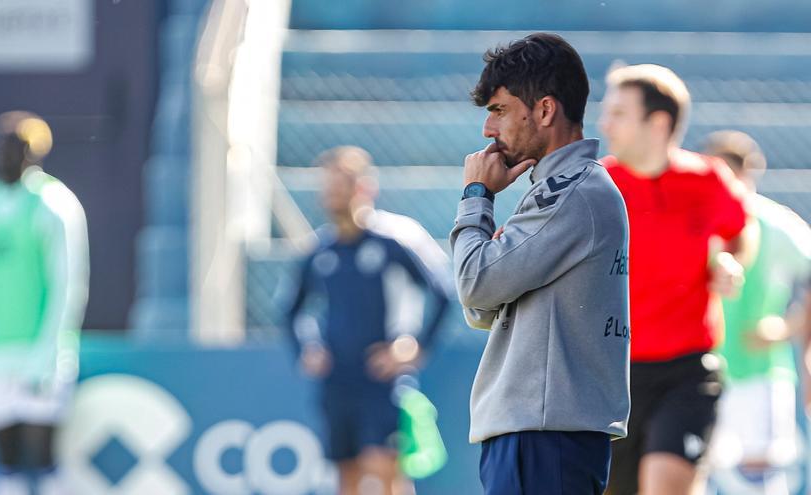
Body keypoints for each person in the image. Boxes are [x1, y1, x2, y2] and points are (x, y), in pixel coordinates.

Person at [450, 33, 631, 494]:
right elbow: (483, 307)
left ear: (545, 110)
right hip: (544, 431)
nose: (489, 131)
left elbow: (476, 283)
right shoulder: (560, 189)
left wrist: (477, 197)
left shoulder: (569, 191)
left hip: (545, 434)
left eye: (499, 111)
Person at [598, 65, 749, 495]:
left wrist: (728, 262)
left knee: (665, 485)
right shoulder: (598, 184)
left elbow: (740, 232)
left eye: (619, 113)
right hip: (611, 376)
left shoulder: (707, 180)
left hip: (687, 371)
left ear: (658, 123)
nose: (605, 123)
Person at [284, 145, 449, 495]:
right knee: (348, 476)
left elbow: (442, 293)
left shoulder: (394, 240)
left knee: (385, 469)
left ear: (364, 188)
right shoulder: (320, 250)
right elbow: (292, 311)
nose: (332, 193)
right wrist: (308, 347)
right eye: (328, 185)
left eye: (341, 184)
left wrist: (413, 346)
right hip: (338, 380)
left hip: (381, 378)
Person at [0, 111, 89, 495]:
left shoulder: (53, 206)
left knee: (45, 461)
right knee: (5, 467)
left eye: (8, 148)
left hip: (39, 359)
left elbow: (67, 288)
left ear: (30, 154)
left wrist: (48, 357)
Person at [703, 130, 811, 494]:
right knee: (692, 475)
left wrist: (787, 327)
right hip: (697, 371)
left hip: (758, 374)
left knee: (757, 482)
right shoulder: (693, 221)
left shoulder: (775, 224)